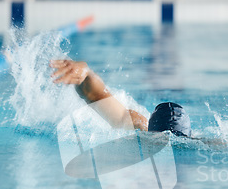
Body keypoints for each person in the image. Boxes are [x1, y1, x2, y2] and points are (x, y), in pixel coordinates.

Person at [49, 59, 192, 137]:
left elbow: (97, 96)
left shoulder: (140, 129)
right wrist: (85, 74)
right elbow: (97, 95)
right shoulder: (137, 124)